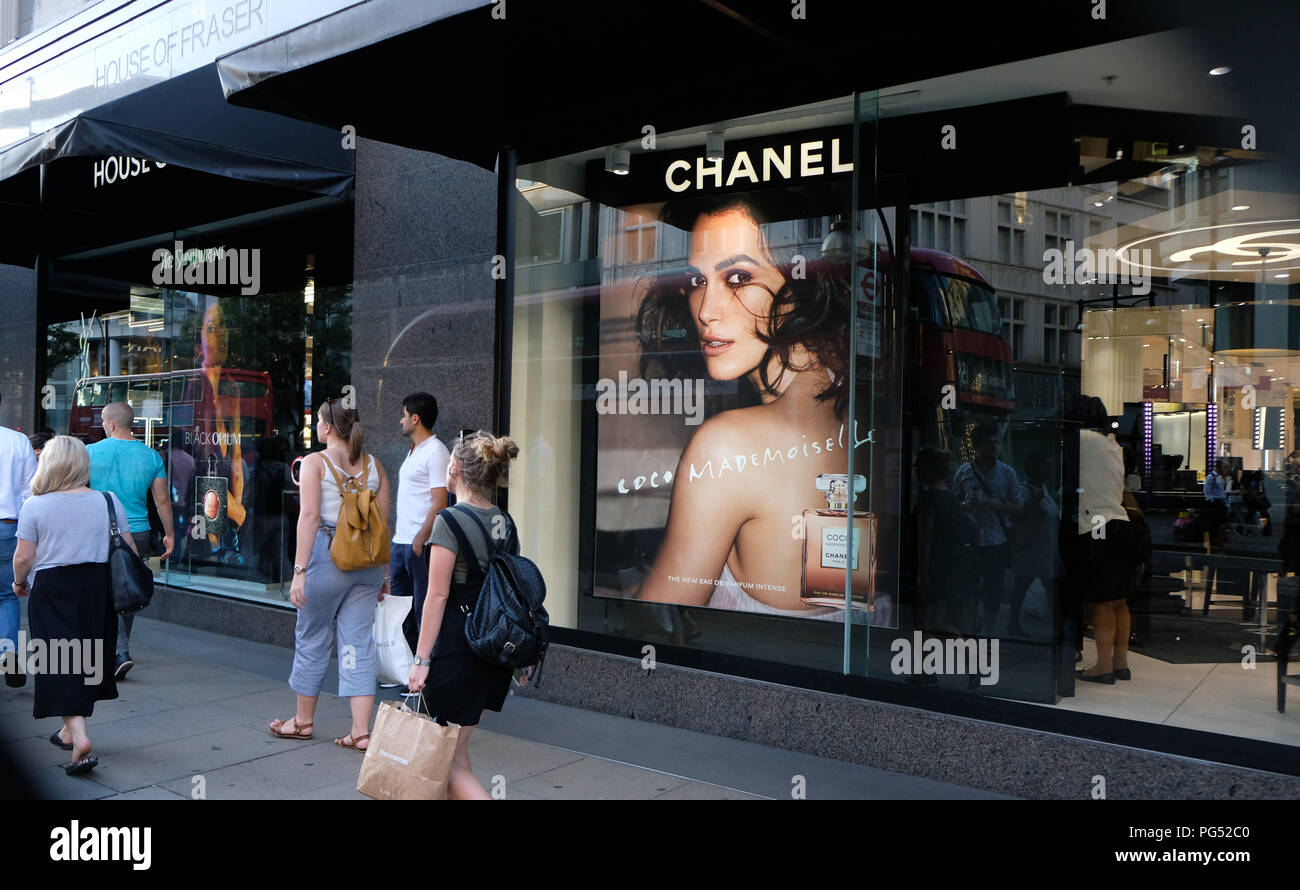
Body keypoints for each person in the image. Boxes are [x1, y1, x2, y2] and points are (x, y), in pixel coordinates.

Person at [631, 193, 859, 619]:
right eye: (697, 281)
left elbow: (653, 626)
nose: (706, 311)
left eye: (737, 277)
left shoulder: (729, 445)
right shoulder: (853, 411)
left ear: (801, 278)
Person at [269, 398, 390, 750]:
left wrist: (300, 571)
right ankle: (360, 731)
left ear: (325, 427)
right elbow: (383, 524)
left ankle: (303, 722)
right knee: (357, 643)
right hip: (367, 564)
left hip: (328, 557)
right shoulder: (374, 465)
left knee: (313, 636)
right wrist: (384, 574)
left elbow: (308, 518)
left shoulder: (314, 463)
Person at [407, 430, 520, 800]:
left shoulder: (449, 521)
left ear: (454, 468)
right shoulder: (505, 522)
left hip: (458, 648)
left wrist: (421, 661)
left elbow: (437, 597)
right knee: (456, 750)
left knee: (448, 758)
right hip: (492, 651)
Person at [12, 436, 130, 775]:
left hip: (52, 588)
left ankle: (78, 737)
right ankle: (68, 731)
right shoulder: (108, 500)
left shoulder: (35, 505)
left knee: (59, 659)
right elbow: (127, 547)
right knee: (90, 658)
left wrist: (19, 582)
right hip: (97, 587)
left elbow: (23, 557)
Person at [86, 401, 174, 681]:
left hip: (97, 527)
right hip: (137, 532)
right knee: (127, 588)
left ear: (111, 424)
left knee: (100, 589)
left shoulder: (89, 452)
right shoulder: (151, 456)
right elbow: (161, 500)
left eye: (102, 421)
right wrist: (170, 534)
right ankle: (119, 651)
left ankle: (112, 651)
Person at [1064, 395, 1136, 684]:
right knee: (1119, 600)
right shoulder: (1113, 445)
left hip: (1097, 524)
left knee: (1102, 601)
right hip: (1121, 523)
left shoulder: (1081, 438)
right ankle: (1121, 663)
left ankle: (1103, 667)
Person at [389, 392, 450, 651]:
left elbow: (440, 502)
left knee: (421, 612)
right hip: (400, 543)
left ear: (415, 418)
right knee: (400, 614)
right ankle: (403, 670)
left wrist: (420, 538)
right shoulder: (414, 450)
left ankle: (424, 676)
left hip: (419, 546)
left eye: (403, 415)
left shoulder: (436, 452)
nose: (400, 421)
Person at [952, 423, 1023, 636]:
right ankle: (971, 630)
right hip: (970, 541)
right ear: (976, 447)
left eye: (996, 443)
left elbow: (1019, 507)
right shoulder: (964, 472)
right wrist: (966, 506)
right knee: (969, 590)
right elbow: (953, 504)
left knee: (993, 592)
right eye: (988, 444)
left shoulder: (1007, 473)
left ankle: (989, 633)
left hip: (996, 541)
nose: (993, 448)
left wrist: (998, 505)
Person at [910, 448, 972, 634]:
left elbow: (924, 540)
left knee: (924, 624)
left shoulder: (928, 500)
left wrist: (922, 575)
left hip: (932, 567)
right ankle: (964, 647)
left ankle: (926, 661)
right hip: (948, 566)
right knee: (937, 619)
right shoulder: (951, 498)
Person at [0, 393, 37, 687]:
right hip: (8, 527)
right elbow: (29, 492)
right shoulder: (17, 441)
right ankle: (8, 655)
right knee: (6, 596)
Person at [1010, 450, 1061, 638]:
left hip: (1044, 550)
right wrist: (1034, 501)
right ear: (1034, 469)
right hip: (1032, 549)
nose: (1048, 469)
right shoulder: (1026, 490)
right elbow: (1018, 515)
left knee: (1029, 586)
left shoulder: (1044, 489)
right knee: (1023, 586)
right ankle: (1014, 623)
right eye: (1044, 466)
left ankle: (1015, 623)